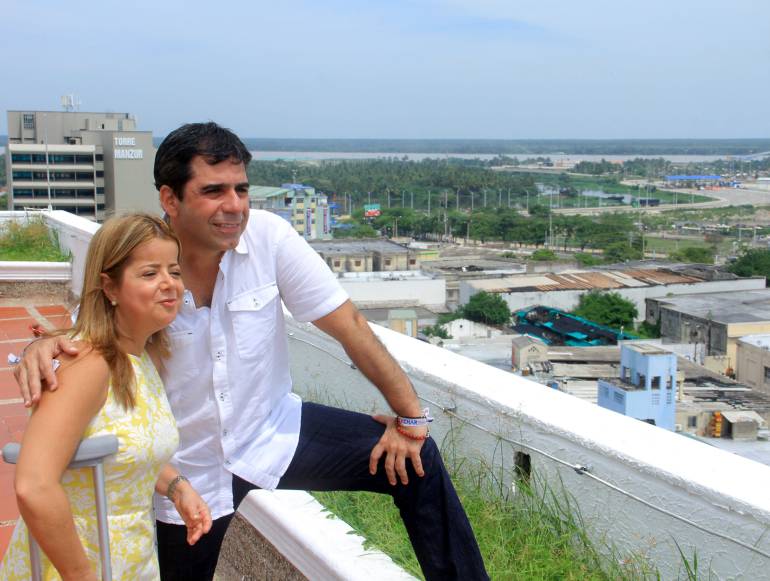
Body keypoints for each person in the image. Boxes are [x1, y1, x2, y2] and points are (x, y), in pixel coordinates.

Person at [16, 123, 488, 580]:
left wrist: (409, 418)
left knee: (415, 461)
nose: (234, 206)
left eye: (241, 189)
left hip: (271, 432)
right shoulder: (147, 264)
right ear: (169, 199)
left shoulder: (269, 238)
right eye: (214, 191)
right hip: (191, 463)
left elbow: (350, 326)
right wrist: (45, 344)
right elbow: (101, 332)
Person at [2, 214, 212, 580]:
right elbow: (34, 485)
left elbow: (120, 451)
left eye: (174, 272)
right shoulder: (87, 365)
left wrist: (176, 487)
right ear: (110, 288)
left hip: (128, 559)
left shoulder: (141, 357)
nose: (169, 284)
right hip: (78, 563)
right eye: (150, 274)